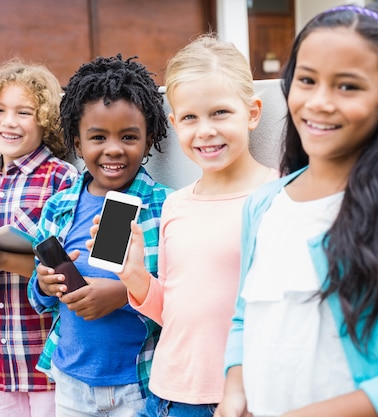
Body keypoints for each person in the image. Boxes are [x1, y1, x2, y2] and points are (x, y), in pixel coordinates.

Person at [216, 4, 378, 417]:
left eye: (348, 87)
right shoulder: (264, 204)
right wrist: (234, 391)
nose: (319, 102)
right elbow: (243, 318)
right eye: (307, 80)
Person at [89, 35, 276, 417]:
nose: (204, 130)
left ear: (253, 112)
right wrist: (136, 277)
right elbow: (172, 311)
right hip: (163, 394)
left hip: (231, 400)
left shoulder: (277, 197)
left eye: (220, 112)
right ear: (174, 124)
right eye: (190, 117)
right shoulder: (176, 203)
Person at [29, 54, 172, 417]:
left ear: (149, 137)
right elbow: (41, 297)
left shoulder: (164, 206)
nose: (113, 149)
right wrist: (44, 284)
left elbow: (183, 299)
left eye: (128, 137)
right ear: (77, 142)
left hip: (137, 385)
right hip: (71, 383)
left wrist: (123, 294)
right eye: (97, 137)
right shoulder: (59, 207)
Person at [0, 60, 78, 417]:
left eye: (23, 112)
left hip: (43, 352)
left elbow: (66, 274)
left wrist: (0, 260)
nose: (8, 122)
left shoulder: (61, 178)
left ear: (44, 119)